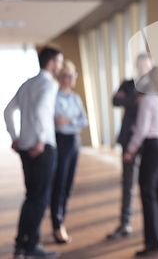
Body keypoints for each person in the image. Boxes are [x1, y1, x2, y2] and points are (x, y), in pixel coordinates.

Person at [4, 47, 63, 259]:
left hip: (25, 146)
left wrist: (14, 136)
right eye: (59, 62)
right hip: (42, 147)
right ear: (51, 63)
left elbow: (8, 110)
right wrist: (39, 139)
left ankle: (21, 245)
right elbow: (41, 110)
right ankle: (31, 248)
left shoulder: (27, 83)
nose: (61, 66)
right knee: (40, 199)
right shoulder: (49, 84)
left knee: (31, 197)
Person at [123, 66, 158, 256]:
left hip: (153, 150)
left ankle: (153, 242)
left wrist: (130, 150)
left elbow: (141, 130)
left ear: (150, 80)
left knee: (148, 193)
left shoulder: (147, 100)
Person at [107, 54, 152, 239]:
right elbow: (115, 101)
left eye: (146, 67)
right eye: (140, 66)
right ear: (136, 66)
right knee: (128, 184)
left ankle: (151, 231)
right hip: (128, 141)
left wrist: (129, 99)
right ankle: (125, 224)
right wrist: (135, 99)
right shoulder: (127, 83)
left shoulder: (155, 88)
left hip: (148, 142)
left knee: (148, 186)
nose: (143, 70)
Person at [51, 60, 88, 244]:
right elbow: (58, 122)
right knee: (59, 183)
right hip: (62, 142)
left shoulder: (75, 98)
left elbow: (85, 121)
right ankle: (57, 226)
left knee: (68, 186)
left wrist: (69, 120)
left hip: (75, 142)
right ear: (61, 78)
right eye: (68, 75)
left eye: (74, 75)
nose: (72, 78)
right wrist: (74, 120)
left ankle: (61, 221)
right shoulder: (54, 97)